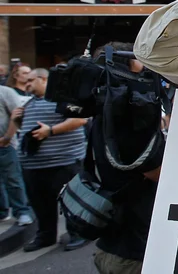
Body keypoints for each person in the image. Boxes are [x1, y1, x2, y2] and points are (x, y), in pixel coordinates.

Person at [89, 43, 165, 274]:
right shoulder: (130, 120)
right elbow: (157, 173)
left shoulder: (107, 110)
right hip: (132, 254)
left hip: (114, 242)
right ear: (127, 66)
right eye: (141, 60)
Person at [16, 69, 88, 252]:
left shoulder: (62, 98)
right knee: (41, 205)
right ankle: (46, 235)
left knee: (71, 201)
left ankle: (78, 234)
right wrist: (17, 120)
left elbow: (79, 120)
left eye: (31, 80)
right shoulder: (29, 103)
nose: (27, 84)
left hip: (62, 162)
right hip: (34, 165)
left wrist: (50, 131)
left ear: (43, 79)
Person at [0, 85, 33, 226]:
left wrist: (7, 138)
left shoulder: (5, 92)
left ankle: (22, 212)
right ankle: (2, 212)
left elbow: (18, 115)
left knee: (12, 179)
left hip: (4, 145)